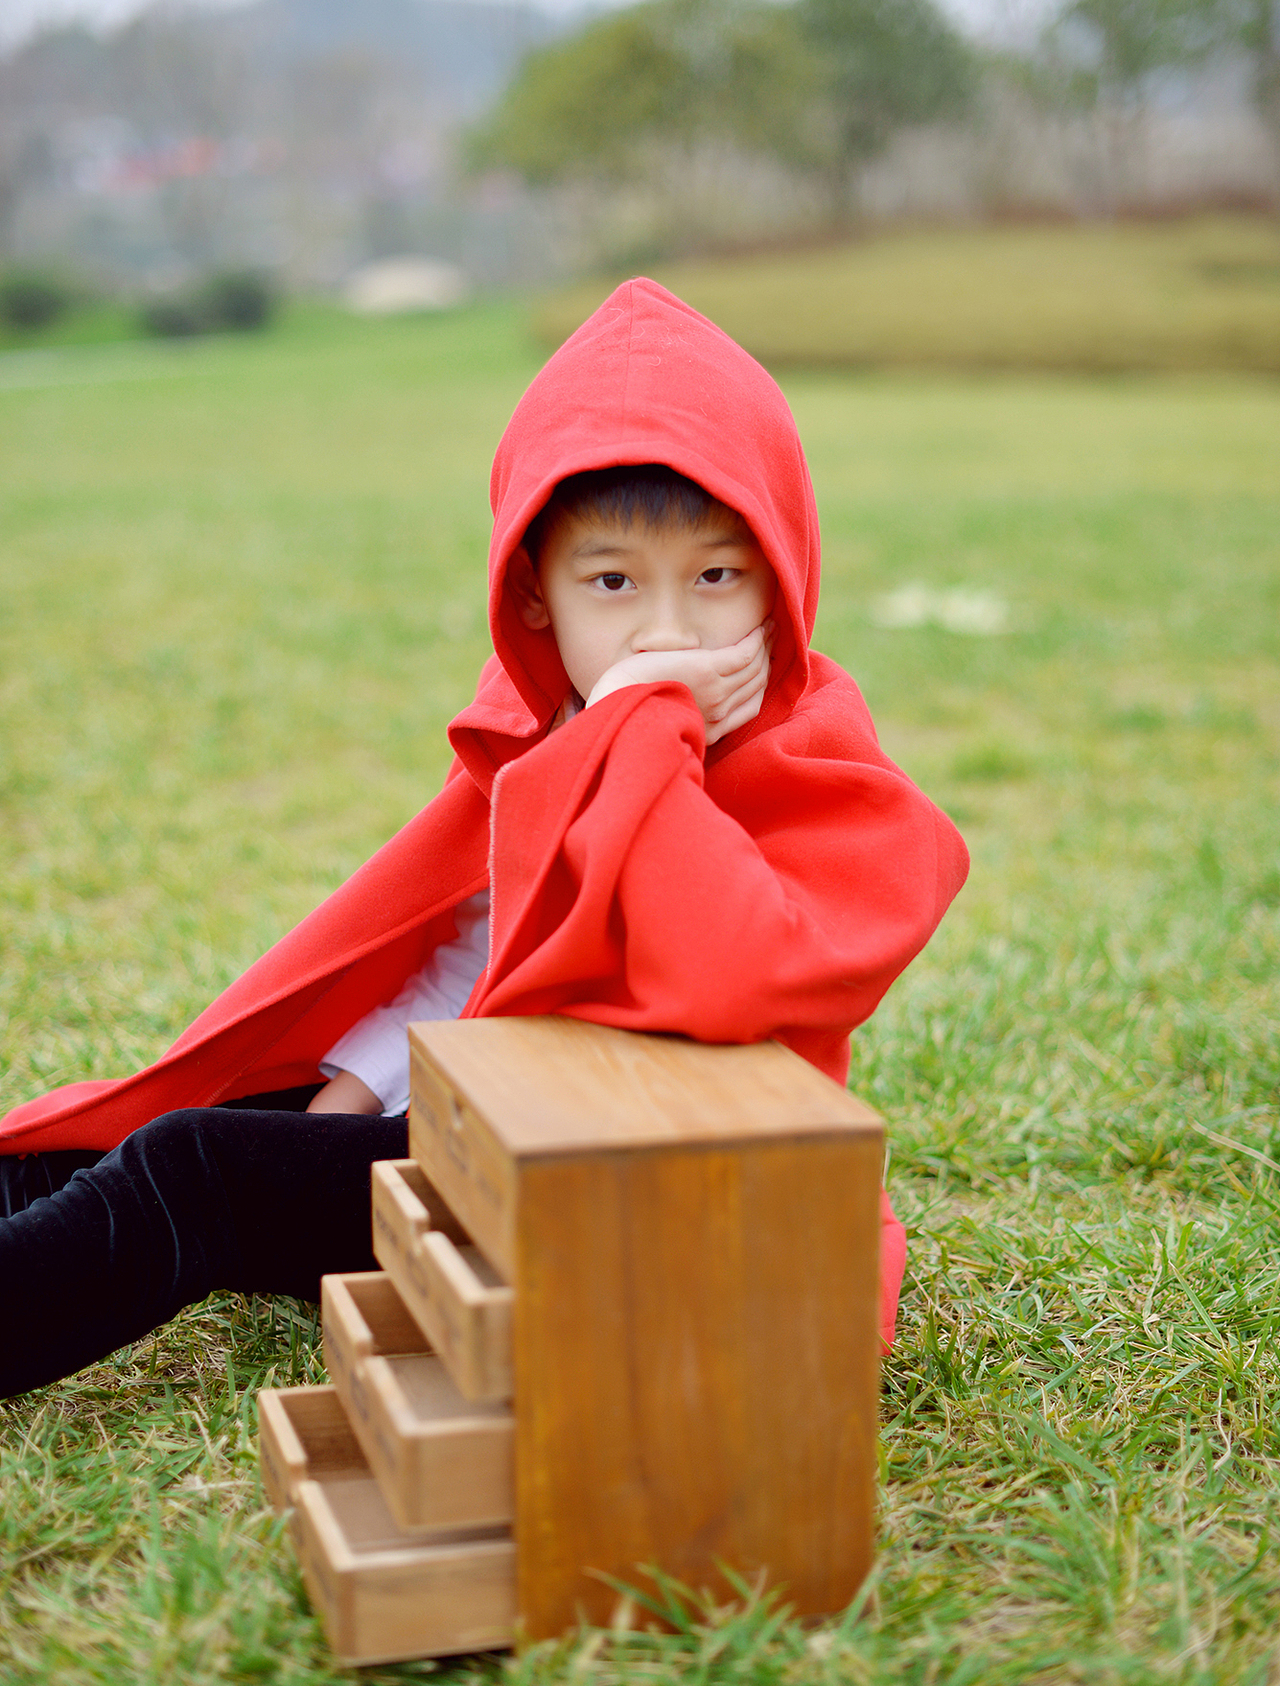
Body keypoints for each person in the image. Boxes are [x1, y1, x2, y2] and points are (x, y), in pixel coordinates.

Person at [0, 279, 968, 1399]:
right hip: (485, 1117)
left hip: (632, 1194)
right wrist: (361, 1083)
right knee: (170, 1124)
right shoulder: (551, 724)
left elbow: (729, 973)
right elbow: (477, 948)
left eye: (715, 576)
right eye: (613, 581)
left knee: (197, 1174)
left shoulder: (815, 767)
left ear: (779, 574)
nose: (666, 628)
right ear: (537, 596)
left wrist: (643, 730)